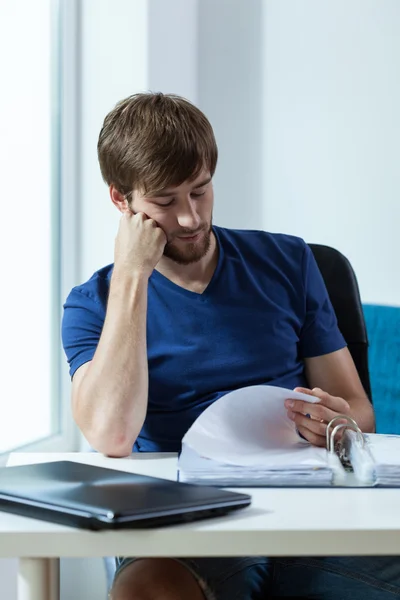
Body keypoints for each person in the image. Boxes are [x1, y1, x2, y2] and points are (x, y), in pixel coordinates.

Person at [61, 92, 398, 600]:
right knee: (145, 591)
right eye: (165, 202)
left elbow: (358, 410)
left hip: (307, 501)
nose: (192, 218)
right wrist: (133, 275)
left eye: (200, 191)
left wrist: (339, 423)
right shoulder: (94, 304)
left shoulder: (290, 262)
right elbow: (111, 436)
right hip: (184, 522)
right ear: (120, 200)